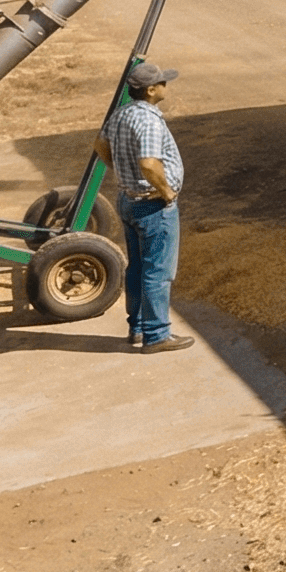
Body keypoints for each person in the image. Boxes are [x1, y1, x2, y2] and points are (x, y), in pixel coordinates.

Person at [95, 59, 194, 355]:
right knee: (158, 272)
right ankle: (157, 335)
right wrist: (166, 191)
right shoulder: (149, 120)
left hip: (127, 200)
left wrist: (119, 170)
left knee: (137, 267)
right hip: (152, 205)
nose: (166, 86)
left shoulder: (121, 113)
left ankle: (137, 327)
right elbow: (149, 163)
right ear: (151, 89)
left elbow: (100, 145)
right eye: (162, 82)